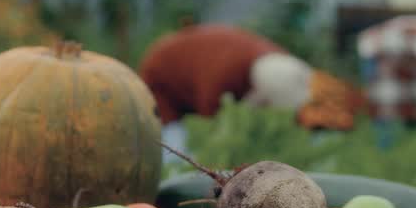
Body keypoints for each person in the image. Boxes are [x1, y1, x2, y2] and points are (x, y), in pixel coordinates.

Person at [137, 23, 360, 130]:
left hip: (244, 69)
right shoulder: (221, 77)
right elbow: (216, 121)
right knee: (169, 142)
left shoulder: (273, 60)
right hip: (163, 79)